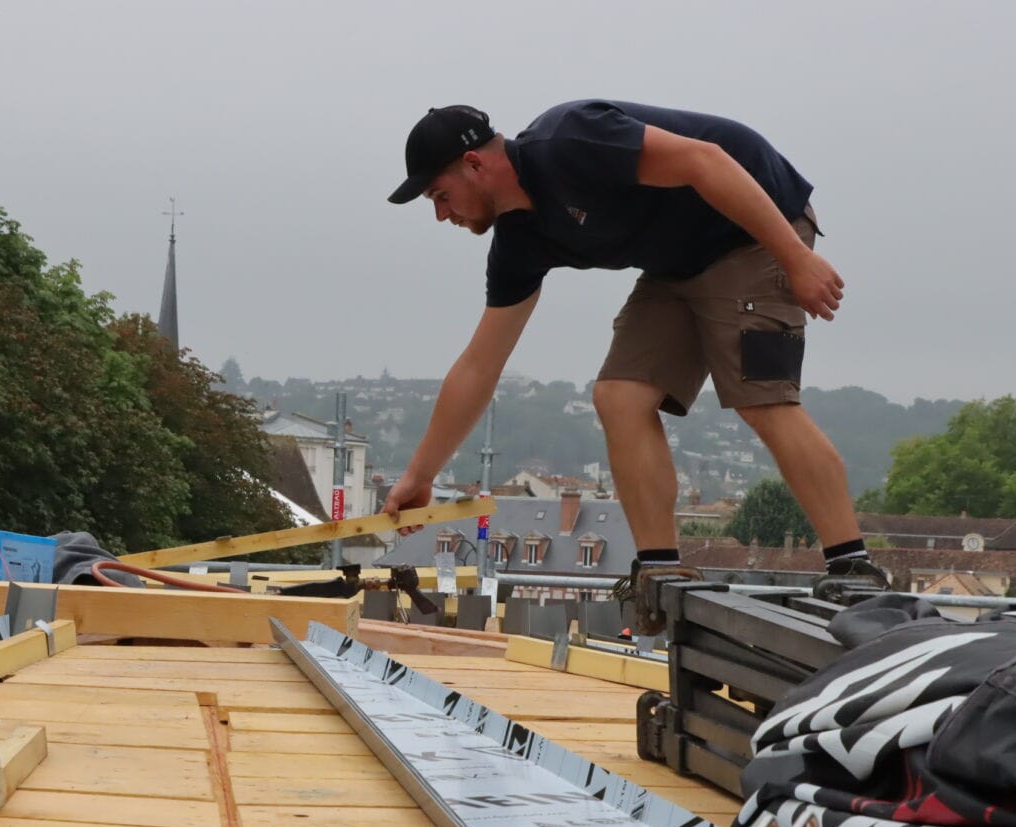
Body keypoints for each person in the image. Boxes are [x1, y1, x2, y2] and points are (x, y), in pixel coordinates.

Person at [380, 100, 886, 598]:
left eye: (440, 196)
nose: (442, 215)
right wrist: (420, 476)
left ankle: (853, 568)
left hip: (752, 229)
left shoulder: (569, 142)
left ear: (473, 165)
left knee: (762, 398)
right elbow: (478, 366)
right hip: (676, 261)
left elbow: (704, 160)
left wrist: (795, 257)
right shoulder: (519, 242)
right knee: (618, 395)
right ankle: (660, 572)